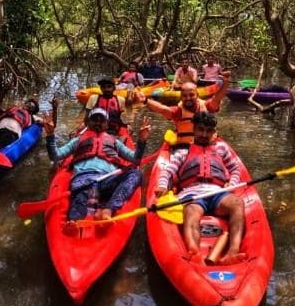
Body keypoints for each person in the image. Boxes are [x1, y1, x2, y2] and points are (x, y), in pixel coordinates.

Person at [154, 111, 245, 265]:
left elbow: (235, 169)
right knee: (190, 212)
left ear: (214, 132)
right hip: (192, 195)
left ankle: (232, 252)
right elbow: (167, 171)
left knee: (237, 203)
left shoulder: (221, 150)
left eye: (209, 131)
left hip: (218, 193)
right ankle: (194, 252)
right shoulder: (183, 152)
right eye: (201, 129)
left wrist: (232, 183)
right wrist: (162, 185)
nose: (204, 134)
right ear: (194, 130)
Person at [45, 108, 151, 223]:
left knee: (136, 174)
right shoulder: (77, 140)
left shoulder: (115, 142)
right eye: (94, 119)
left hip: (107, 180)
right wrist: (50, 135)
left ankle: (109, 209)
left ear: (106, 124)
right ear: (88, 123)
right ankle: (74, 222)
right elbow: (55, 156)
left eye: (101, 120)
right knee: (79, 201)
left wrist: (141, 141)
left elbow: (136, 160)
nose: (98, 123)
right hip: (84, 181)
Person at [139, 69, 232, 147]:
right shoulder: (178, 111)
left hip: (208, 146)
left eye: (191, 95)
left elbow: (217, 99)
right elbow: (162, 109)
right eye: (185, 96)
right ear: (181, 97)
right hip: (185, 148)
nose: (188, 98)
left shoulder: (207, 106)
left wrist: (225, 84)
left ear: (197, 95)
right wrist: (145, 100)